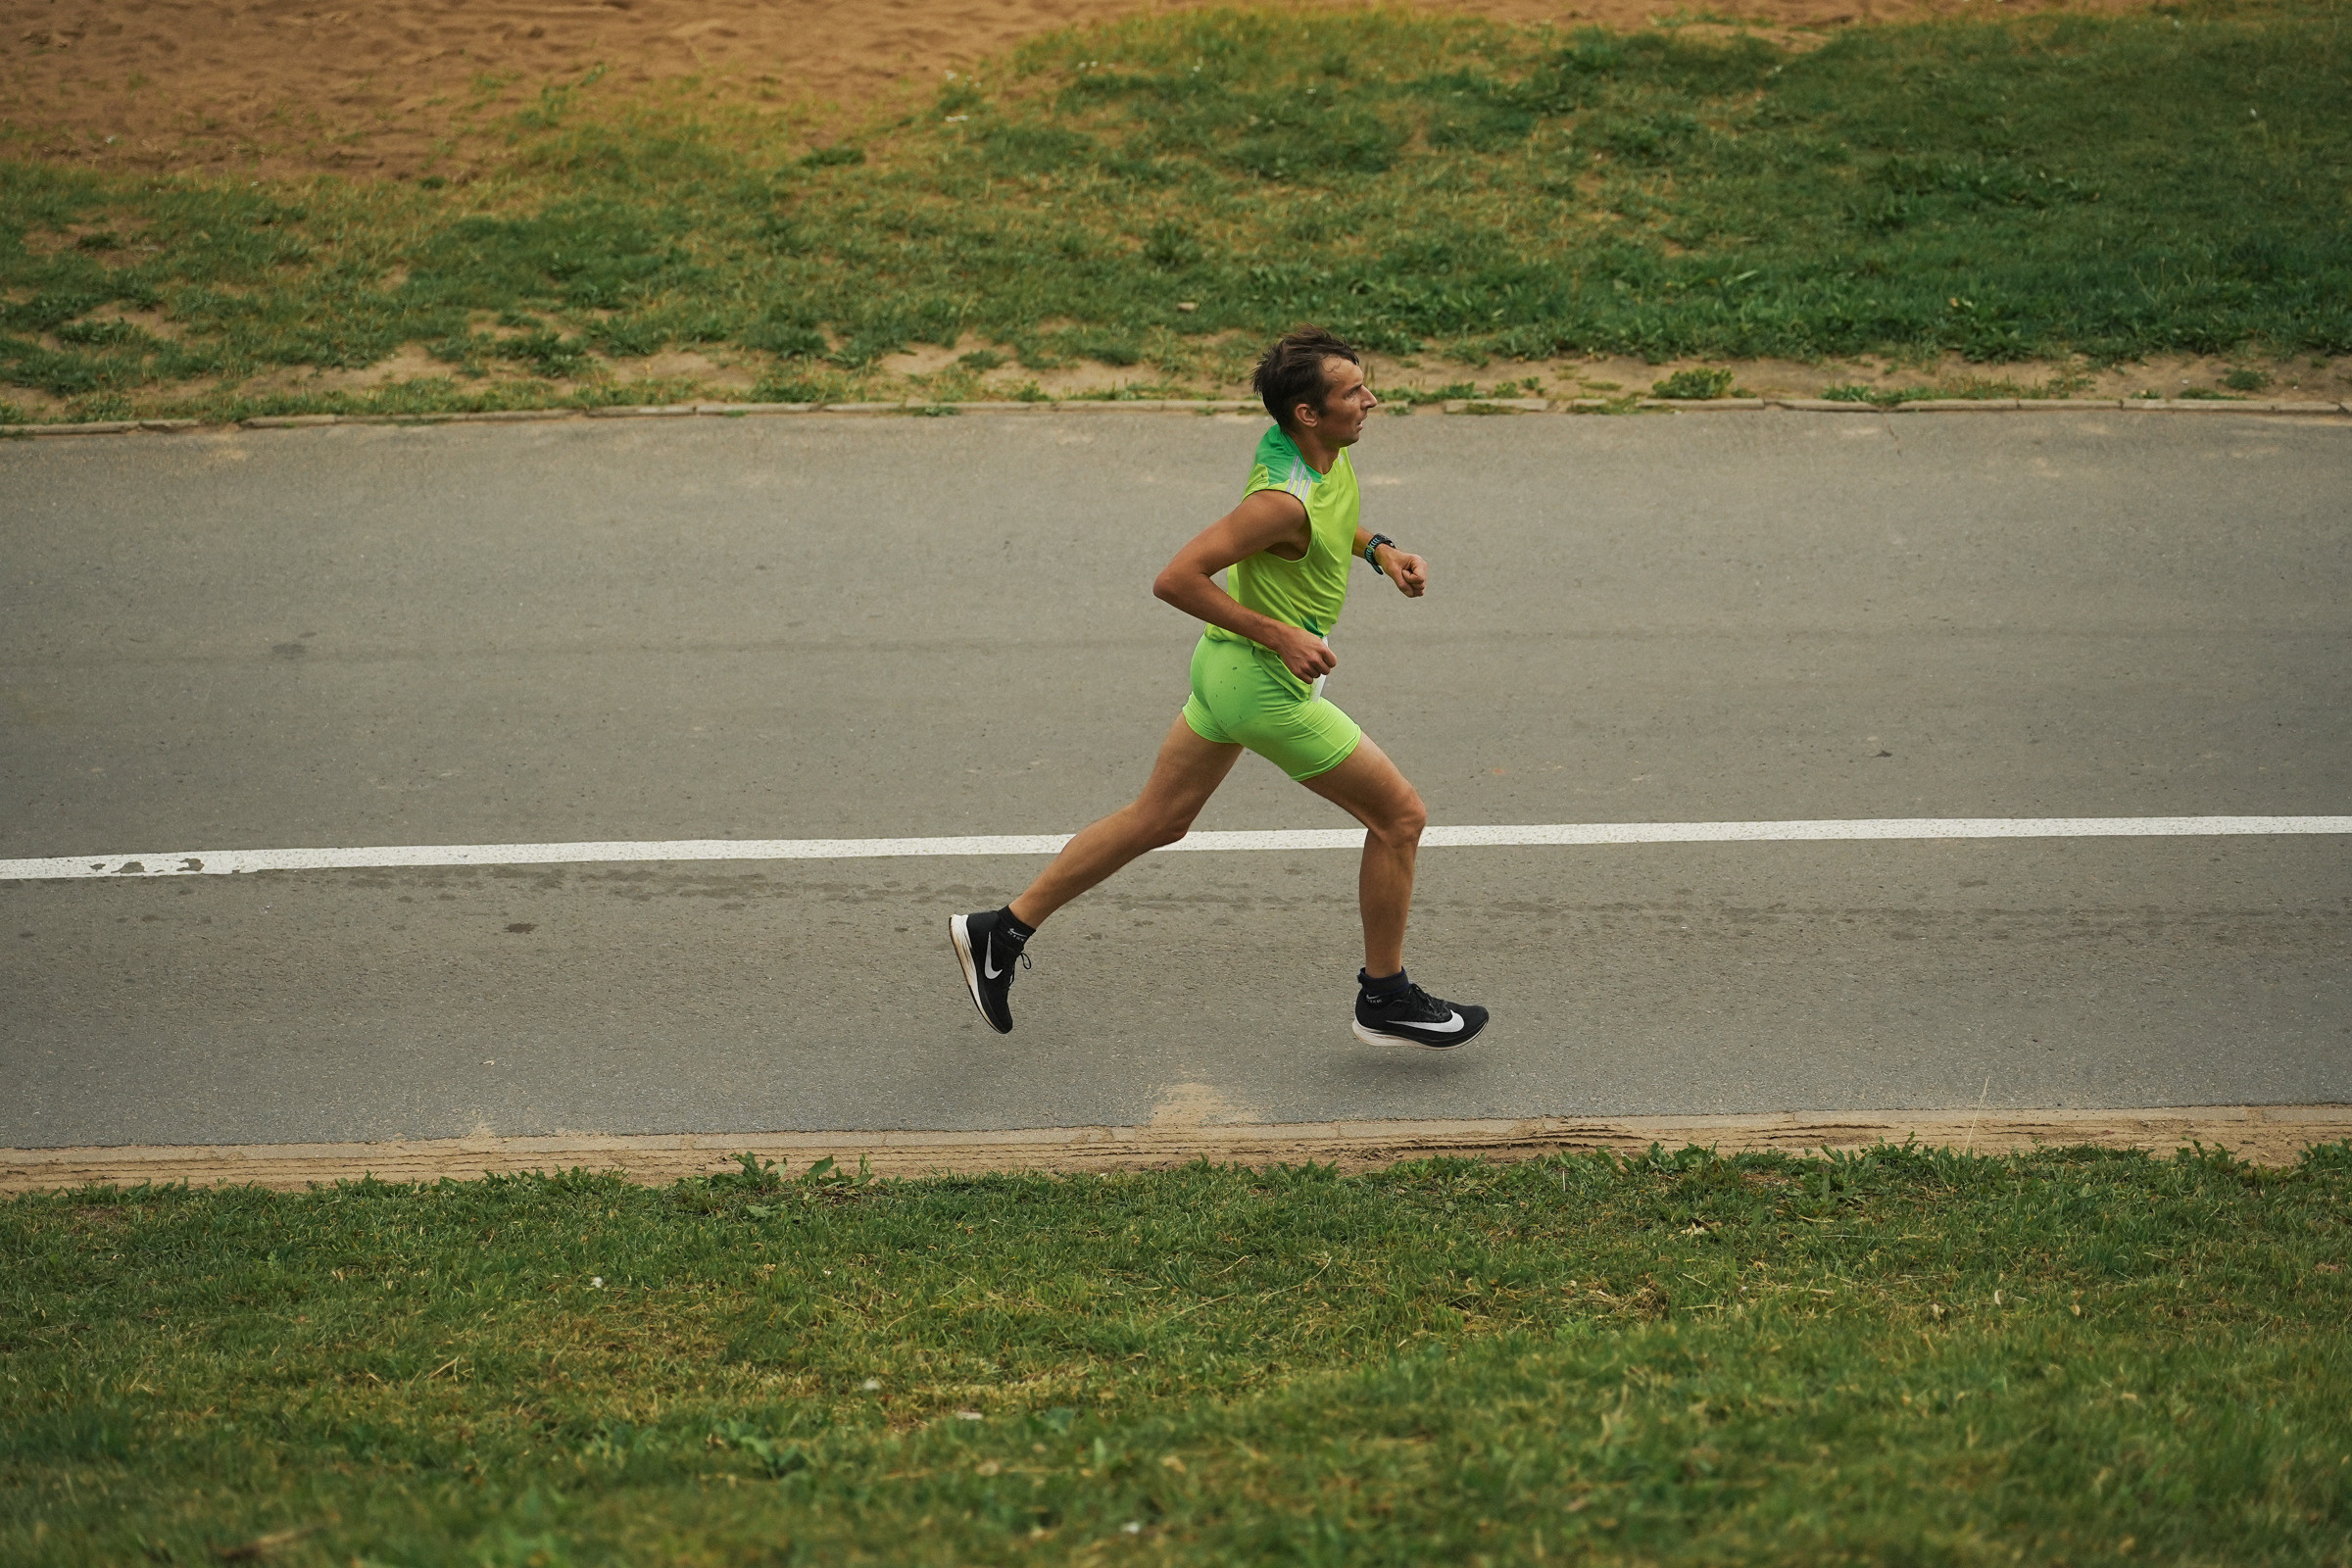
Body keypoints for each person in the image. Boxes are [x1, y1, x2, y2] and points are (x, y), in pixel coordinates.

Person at [950, 325, 1489, 1051]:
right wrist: (1281, 634)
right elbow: (1176, 578)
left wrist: (1380, 551)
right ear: (1308, 413)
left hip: (1224, 669)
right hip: (1261, 685)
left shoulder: (1312, 454)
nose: (1371, 401)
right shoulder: (1279, 500)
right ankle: (1385, 997)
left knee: (1159, 819)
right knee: (1400, 819)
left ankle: (1001, 931)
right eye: (1354, 392)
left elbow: (1329, 519)